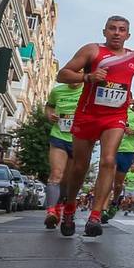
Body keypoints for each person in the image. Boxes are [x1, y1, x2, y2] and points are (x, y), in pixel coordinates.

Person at [54, 16, 134, 237]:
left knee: (108, 160)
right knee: (80, 166)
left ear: (128, 35)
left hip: (115, 116)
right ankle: (69, 208)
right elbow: (63, 74)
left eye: (122, 30)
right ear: (105, 31)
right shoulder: (92, 51)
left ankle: (95, 216)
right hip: (88, 115)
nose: (117, 33)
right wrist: (88, 76)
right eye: (113, 29)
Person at [42, 80, 83, 228]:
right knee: (56, 174)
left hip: (78, 140)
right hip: (59, 136)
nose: (74, 77)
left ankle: (59, 205)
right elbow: (49, 106)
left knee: (66, 180)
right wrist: (49, 115)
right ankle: (51, 212)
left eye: (78, 73)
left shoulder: (88, 90)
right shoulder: (57, 90)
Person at [106, 107, 134, 222]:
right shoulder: (114, 110)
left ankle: (115, 202)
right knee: (108, 179)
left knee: (117, 184)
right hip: (112, 149)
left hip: (127, 152)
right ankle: (102, 208)